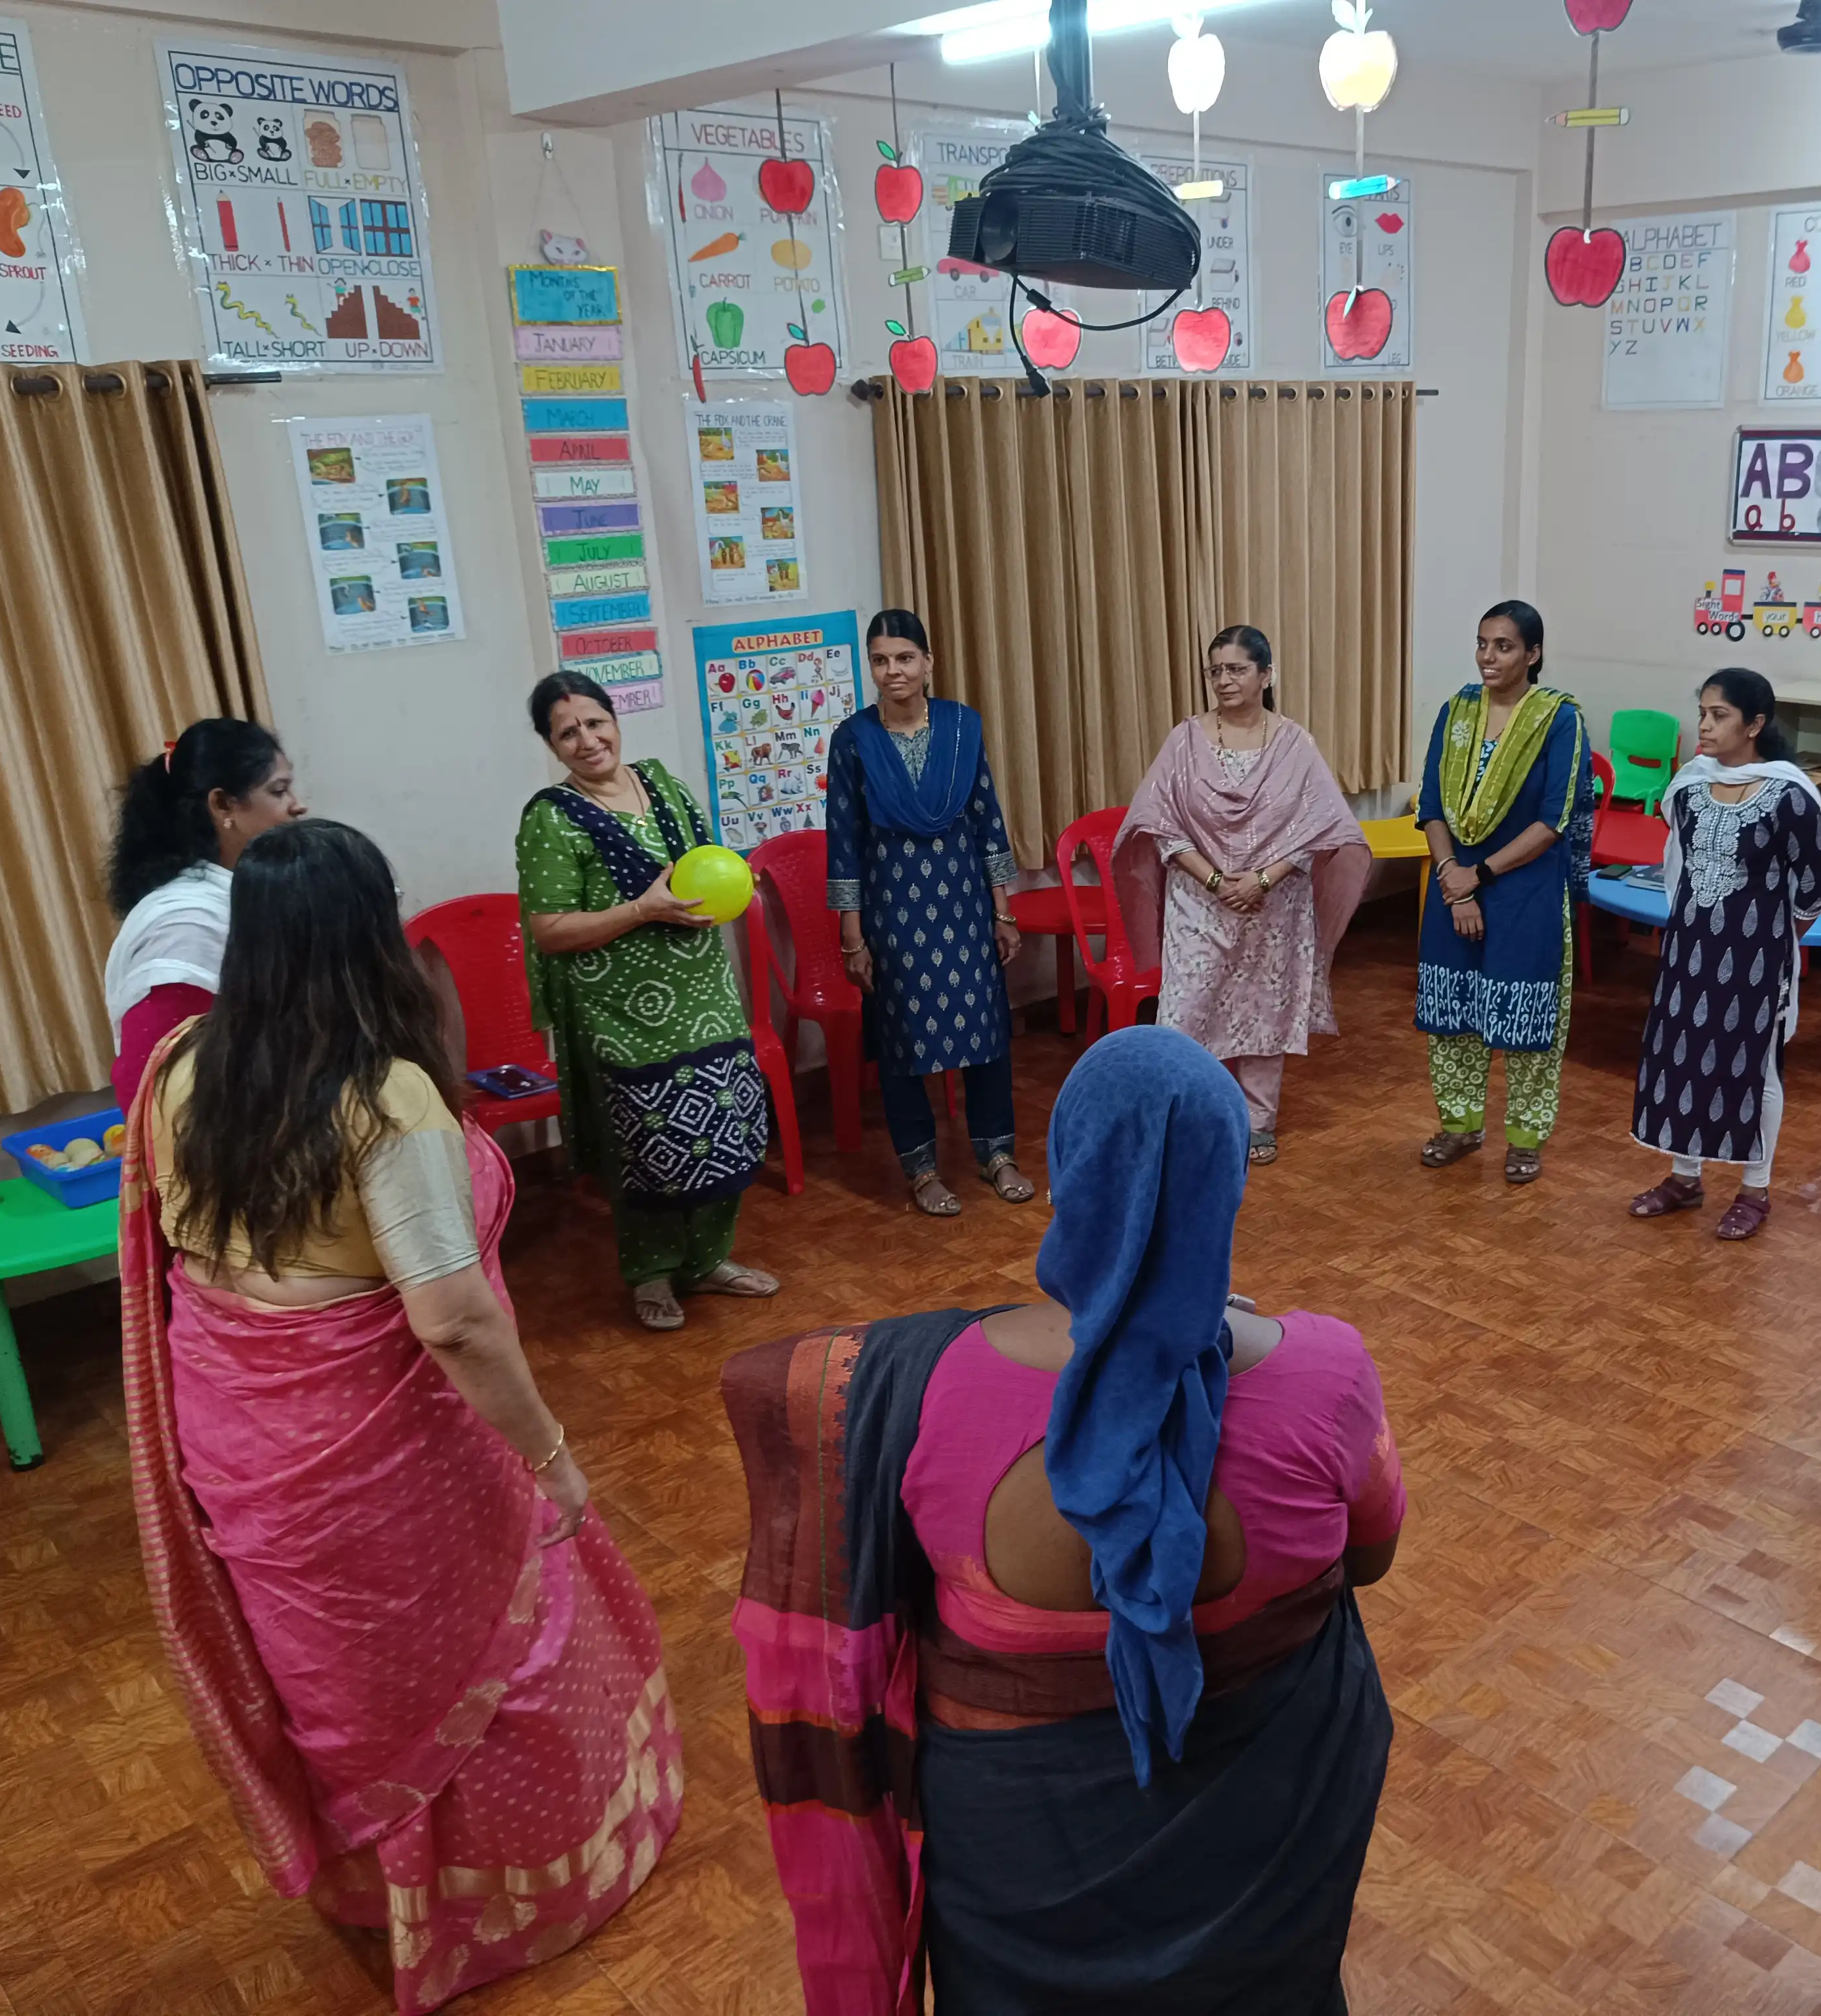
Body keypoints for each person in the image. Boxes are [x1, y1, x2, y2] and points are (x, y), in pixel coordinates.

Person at [121, 820, 684, 2016]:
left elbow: (180, 1245)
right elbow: (455, 1322)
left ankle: (376, 1890)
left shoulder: (182, 1061)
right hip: (380, 1455)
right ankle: (512, 1894)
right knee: (484, 1648)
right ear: (372, 935)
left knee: (341, 1677)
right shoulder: (384, 1100)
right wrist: (551, 1457)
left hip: (241, 1434)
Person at [723, 1026, 1402, 2012]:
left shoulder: (929, 1396)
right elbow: (1372, 1557)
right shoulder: (1327, 1372)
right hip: (1263, 1847)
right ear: (1230, 1192)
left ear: (1063, 1183)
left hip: (1018, 1865)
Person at [517, 671, 778, 1332]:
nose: (586, 740)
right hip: (622, 1014)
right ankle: (651, 1274)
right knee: (648, 1139)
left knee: (724, 1123)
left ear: (614, 720)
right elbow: (549, 931)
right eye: (566, 732)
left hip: (704, 991)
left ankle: (709, 1260)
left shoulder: (662, 782)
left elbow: (706, 867)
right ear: (551, 747)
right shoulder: (551, 820)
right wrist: (640, 910)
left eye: (594, 722)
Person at [1113, 625, 1372, 1165]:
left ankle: (1259, 1121)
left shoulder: (1294, 744)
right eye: (1215, 671)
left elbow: (1321, 828)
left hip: (1274, 904)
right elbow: (1158, 825)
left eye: (1236, 669)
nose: (1224, 680)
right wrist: (1213, 878)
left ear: (1266, 675)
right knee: (1184, 1015)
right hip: (1198, 903)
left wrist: (1262, 879)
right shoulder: (1184, 740)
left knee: (1264, 1015)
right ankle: (1183, 1118)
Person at [826, 609, 1034, 1217]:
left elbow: (988, 820)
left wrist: (1004, 910)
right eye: (882, 661)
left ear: (928, 662)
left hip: (963, 899)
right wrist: (852, 935)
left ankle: (997, 1154)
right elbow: (844, 839)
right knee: (902, 1039)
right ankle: (920, 1169)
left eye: (905, 658)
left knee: (987, 1031)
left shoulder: (962, 726)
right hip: (893, 906)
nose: (894, 671)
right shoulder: (854, 739)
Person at [1626, 668, 1821, 1240]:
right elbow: (1679, 868)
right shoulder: (1690, 787)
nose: (1706, 726)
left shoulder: (1790, 796)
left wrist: (1771, 942)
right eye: (1704, 714)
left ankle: (1754, 1190)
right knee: (1684, 1057)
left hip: (1758, 958)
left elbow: (1813, 890)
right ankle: (1684, 1178)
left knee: (1755, 1069)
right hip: (1689, 948)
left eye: (1720, 716)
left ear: (1756, 724)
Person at [1416, 599, 1595, 1185]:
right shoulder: (1457, 711)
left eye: (1504, 646)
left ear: (1533, 654)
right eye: (1483, 643)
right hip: (1453, 889)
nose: (1488, 657)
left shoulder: (1559, 718)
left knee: (1525, 1020)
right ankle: (1461, 1127)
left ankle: (1525, 1138)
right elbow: (1433, 805)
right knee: (1454, 1014)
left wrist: (1481, 876)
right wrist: (1453, 880)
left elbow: (1554, 819)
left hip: (1525, 890)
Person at [102, 718, 304, 1112]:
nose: (297, 805)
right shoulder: (187, 926)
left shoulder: (246, 892)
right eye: (279, 791)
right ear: (222, 805)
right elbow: (164, 1087)